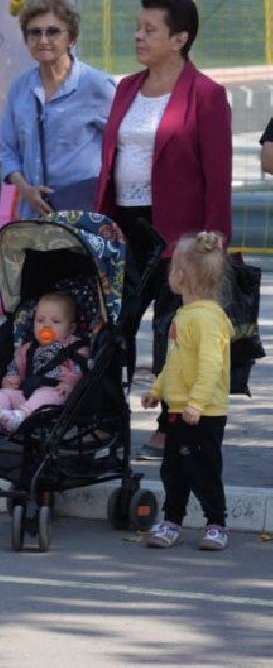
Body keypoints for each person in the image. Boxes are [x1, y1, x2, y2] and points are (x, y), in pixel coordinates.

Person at [94, 0, 231, 461]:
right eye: (138, 27)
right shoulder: (127, 88)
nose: (138, 35)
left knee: (174, 332)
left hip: (181, 233)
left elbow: (218, 174)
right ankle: (105, 421)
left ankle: (170, 427)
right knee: (113, 326)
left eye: (149, 29)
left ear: (179, 38)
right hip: (123, 227)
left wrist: (215, 238)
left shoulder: (207, 94)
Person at [141, 231, 232, 551]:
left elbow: (211, 365)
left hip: (203, 412)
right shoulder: (185, 314)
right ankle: (172, 520)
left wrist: (197, 403)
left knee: (204, 470)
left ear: (183, 275)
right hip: (178, 408)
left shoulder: (207, 319)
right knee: (174, 471)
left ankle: (216, 523)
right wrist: (157, 390)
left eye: (172, 267)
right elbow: (175, 361)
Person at [0, 0, 115, 218]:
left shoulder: (97, 85)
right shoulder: (19, 87)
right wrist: (25, 189)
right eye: (34, 32)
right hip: (34, 215)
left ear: (71, 38)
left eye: (52, 32)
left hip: (85, 213)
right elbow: (7, 150)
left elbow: (123, 146)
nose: (43, 40)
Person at [0, 292, 87, 436]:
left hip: (56, 392)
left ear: (71, 328)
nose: (46, 325)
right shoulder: (27, 348)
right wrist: (12, 379)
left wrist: (69, 382)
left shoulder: (75, 347)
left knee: (45, 396)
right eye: (40, 320)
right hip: (26, 393)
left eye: (56, 321)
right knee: (3, 394)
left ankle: (18, 417)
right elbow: (15, 366)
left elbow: (80, 368)